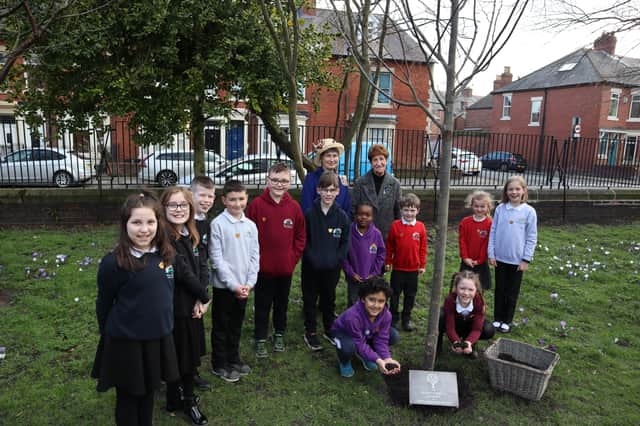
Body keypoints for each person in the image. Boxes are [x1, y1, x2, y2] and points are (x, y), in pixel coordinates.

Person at [92, 191, 179, 426]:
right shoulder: (114, 263)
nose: (144, 229)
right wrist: (108, 333)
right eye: (136, 222)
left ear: (159, 223)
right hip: (126, 343)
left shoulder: (165, 255)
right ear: (125, 224)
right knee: (129, 397)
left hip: (157, 338)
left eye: (150, 222)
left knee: (150, 390)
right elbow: (104, 303)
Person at [246, 163, 306, 358]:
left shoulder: (294, 207)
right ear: (267, 180)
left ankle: (279, 333)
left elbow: (300, 237)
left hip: (285, 269)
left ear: (289, 182)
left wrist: (292, 258)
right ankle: (260, 337)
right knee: (262, 305)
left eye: (284, 181)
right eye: (275, 180)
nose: (279, 184)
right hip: (262, 270)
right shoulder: (256, 205)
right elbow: (247, 236)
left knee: (282, 304)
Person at [160, 187, 209, 425]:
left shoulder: (193, 234)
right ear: (164, 208)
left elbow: (202, 268)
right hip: (176, 307)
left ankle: (187, 398)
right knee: (176, 355)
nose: (179, 210)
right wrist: (205, 297)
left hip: (193, 306)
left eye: (183, 205)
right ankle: (176, 397)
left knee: (188, 356)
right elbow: (183, 273)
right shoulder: (165, 238)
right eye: (173, 205)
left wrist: (201, 299)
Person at [209, 180, 260, 382]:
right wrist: (233, 285)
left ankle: (234, 358)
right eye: (232, 199)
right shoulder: (218, 225)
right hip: (225, 287)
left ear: (247, 198)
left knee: (236, 325)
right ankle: (219, 363)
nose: (237, 203)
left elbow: (255, 255)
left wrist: (250, 282)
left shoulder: (251, 226)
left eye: (241, 199)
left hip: (244, 287)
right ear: (224, 200)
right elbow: (216, 258)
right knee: (221, 325)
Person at [301, 171, 350, 351]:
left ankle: (329, 329)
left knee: (329, 299)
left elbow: (345, 242)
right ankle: (311, 331)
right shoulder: (309, 214)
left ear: (338, 192)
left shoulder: (342, 217)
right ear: (318, 190)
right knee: (310, 299)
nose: (328, 194)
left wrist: (337, 259)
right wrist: (311, 257)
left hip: (331, 268)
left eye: (332, 190)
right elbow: (303, 239)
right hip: (311, 267)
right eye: (325, 190)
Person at [488, 175, 538, 334]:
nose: (514, 192)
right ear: (506, 191)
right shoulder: (500, 209)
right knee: (500, 289)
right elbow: (493, 232)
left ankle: (507, 320)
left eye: (517, 189)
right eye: (511, 189)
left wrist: (526, 259)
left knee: (512, 291)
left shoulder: (529, 212)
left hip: (517, 261)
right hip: (500, 258)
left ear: (524, 191)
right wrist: (491, 253)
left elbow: (531, 237)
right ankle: (497, 318)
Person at [331, 278, 401, 378]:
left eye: (381, 301)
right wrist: (377, 359)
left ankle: (366, 355)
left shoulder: (386, 315)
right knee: (348, 347)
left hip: (365, 333)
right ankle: (344, 361)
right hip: (343, 333)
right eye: (372, 299)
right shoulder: (352, 317)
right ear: (363, 299)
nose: (376, 305)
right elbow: (359, 342)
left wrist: (386, 358)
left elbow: (381, 339)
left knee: (393, 335)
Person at [385, 193, 427, 332]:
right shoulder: (395, 226)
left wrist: (422, 265)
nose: (409, 213)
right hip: (398, 268)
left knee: (410, 295)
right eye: (406, 210)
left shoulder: (420, 227)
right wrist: (388, 261)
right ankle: (394, 318)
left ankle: (406, 319)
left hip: (413, 270)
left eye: (412, 210)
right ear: (401, 210)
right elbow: (389, 245)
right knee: (394, 294)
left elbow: (423, 248)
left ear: (418, 211)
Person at [190, 176, 216, 390]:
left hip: (199, 283)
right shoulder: (183, 221)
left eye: (211, 196)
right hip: (183, 285)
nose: (207, 200)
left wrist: (203, 291)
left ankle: (192, 371)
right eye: (202, 195)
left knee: (196, 332)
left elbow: (204, 258)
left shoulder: (206, 223)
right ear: (191, 195)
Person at [438, 271, 495, 357]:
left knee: (488, 329)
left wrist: (468, 342)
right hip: (454, 325)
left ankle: (469, 344)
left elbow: (476, 329)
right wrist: (456, 342)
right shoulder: (450, 300)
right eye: (462, 288)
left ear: (476, 290)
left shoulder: (479, 302)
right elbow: (450, 327)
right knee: (440, 316)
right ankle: (437, 345)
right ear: (456, 288)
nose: (466, 293)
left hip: (469, 326)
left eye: (470, 290)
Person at [351, 144, 402, 239]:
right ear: (371, 163)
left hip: (387, 236)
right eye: (375, 160)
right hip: (365, 235)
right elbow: (353, 210)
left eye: (381, 159)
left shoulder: (395, 184)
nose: (379, 163)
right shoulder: (360, 183)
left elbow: (398, 213)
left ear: (386, 160)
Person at [343, 202, 386, 307]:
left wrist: (375, 273)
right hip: (354, 278)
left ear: (372, 217)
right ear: (355, 215)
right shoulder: (348, 232)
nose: (363, 217)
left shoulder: (376, 234)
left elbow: (381, 254)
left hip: (371, 278)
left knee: (369, 302)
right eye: (360, 214)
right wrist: (351, 273)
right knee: (353, 302)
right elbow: (343, 256)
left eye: (367, 215)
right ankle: (353, 322)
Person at [301, 138, 350, 213]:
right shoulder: (311, 179)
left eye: (335, 156)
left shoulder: (342, 181)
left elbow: (347, 209)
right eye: (328, 156)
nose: (332, 159)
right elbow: (307, 208)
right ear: (321, 158)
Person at [458, 190, 494, 290]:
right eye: (476, 206)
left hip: (481, 263)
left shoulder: (490, 223)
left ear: (488, 207)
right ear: (471, 205)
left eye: (482, 206)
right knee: (464, 287)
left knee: (480, 289)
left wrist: (479, 260)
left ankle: (480, 305)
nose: (479, 209)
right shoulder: (465, 222)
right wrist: (465, 258)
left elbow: (487, 243)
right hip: (466, 262)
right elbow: (462, 241)